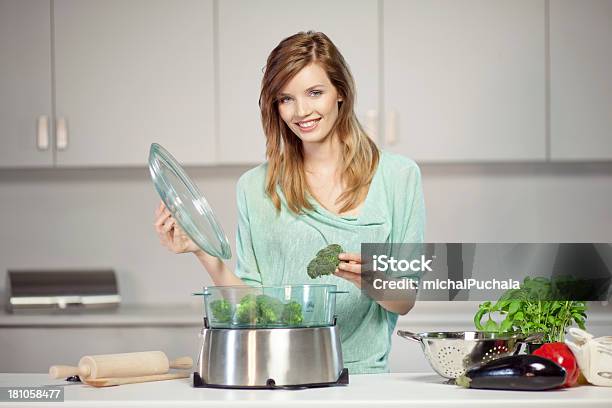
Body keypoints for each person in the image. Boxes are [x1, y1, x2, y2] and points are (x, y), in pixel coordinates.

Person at [154, 31, 425, 374]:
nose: (301, 112)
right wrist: (202, 250)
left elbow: (406, 301)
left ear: (340, 92)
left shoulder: (398, 177)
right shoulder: (255, 187)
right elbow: (254, 307)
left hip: (360, 380)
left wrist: (369, 278)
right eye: (286, 99)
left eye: (315, 93)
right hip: (275, 375)